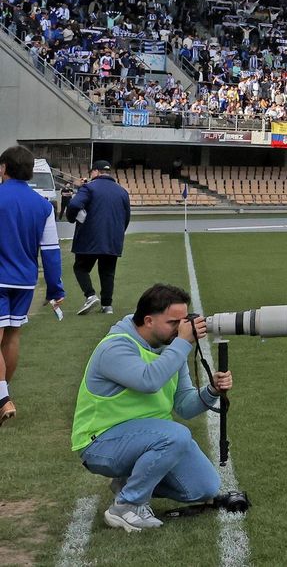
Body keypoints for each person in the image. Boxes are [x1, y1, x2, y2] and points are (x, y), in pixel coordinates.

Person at [72, 283, 233, 532]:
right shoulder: (115, 347)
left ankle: (128, 483)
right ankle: (126, 505)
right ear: (148, 320)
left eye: (183, 321)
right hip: (100, 443)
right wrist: (182, 344)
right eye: (173, 322)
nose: (182, 328)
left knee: (204, 487)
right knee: (176, 435)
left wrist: (211, 390)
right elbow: (149, 381)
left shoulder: (171, 347)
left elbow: (185, 406)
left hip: (145, 439)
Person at [0, 145, 66, 426]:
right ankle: (3, 394)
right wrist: (55, 289)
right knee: (12, 336)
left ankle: (3, 399)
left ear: (4, 168)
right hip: (25, 281)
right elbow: (51, 251)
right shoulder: (43, 206)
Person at [65, 160, 132, 316]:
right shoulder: (122, 191)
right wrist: (118, 233)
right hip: (112, 238)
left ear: (95, 171)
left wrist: (72, 218)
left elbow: (74, 205)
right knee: (107, 272)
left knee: (81, 268)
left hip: (89, 237)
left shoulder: (89, 188)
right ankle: (107, 306)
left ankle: (90, 295)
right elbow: (126, 216)